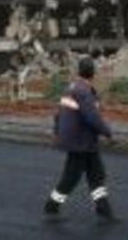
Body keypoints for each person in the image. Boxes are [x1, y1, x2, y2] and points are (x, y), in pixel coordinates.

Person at [43, 56, 115, 221]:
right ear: (93, 73)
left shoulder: (72, 88)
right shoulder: (84, 92)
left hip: (81, 141)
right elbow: (92, 118)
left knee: (96, 174)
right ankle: (52, 206)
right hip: (80, 142)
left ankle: (103, 208)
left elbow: (58, 114)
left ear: (79, 71)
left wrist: (57, 132)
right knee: (71, 177)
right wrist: (107, 132)